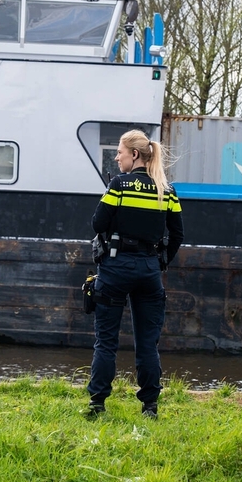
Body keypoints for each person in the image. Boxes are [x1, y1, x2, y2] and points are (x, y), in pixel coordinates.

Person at [87, 129, 183, 419]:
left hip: (116, 268)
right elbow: (177, 235)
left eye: (120, 152)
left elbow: (97, 223)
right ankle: (150, 407)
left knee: (106, 341)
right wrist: (160, 262)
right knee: (147, 343)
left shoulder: (118, 185)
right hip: (149, 270)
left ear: (135, 155)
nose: (117, 157)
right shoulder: (166, 190)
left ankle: (98, 404)